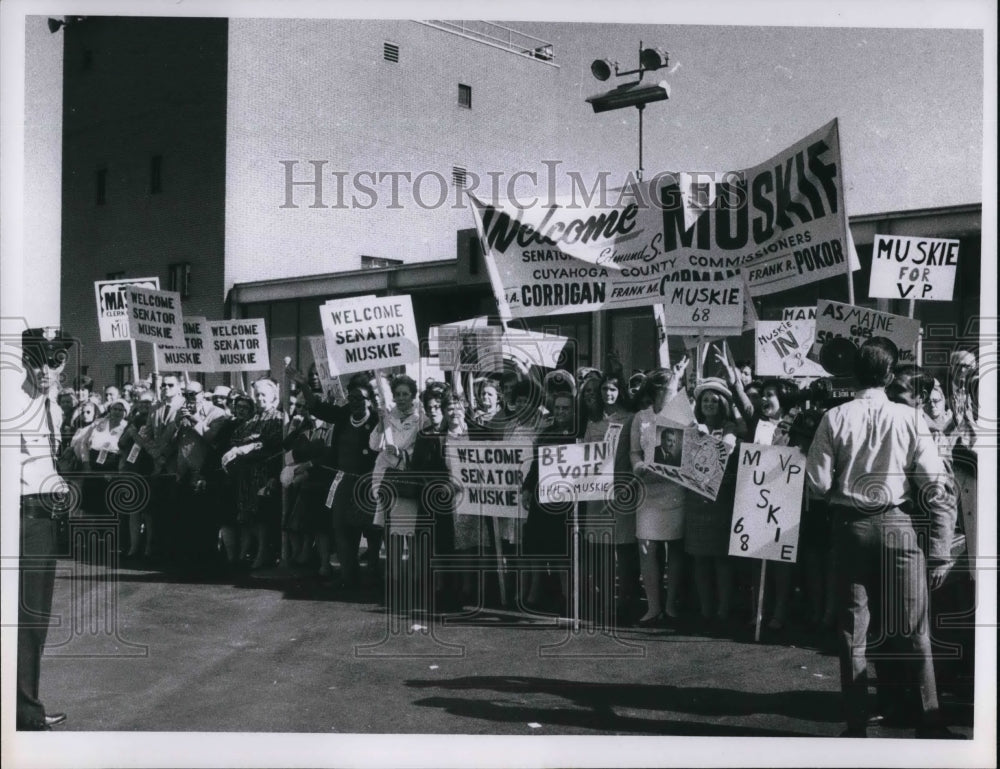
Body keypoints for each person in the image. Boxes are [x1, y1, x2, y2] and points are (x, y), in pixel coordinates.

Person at [806, 337, 960, 739]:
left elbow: (818, 485)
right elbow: (932, 482)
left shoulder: (834, 417)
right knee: (914, 628)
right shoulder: (909, 418)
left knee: (852, 630)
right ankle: (930, 718)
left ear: (856, 372)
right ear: (890, 376)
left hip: (849, 527)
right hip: (897, 525)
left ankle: (856, 722)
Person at [15, 327, 71, 730]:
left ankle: (24, 707)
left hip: (44, 515)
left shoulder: (51, 406)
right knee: (23, 617)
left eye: (57, 359)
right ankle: (24, 715)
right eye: (42, 358)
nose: (50, 367)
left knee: (33, 619)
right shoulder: (13, 401)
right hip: (21, 516)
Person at [630, 365, 689, 627]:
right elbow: (634, 452)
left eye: (675, 388)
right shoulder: (640, 418)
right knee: (646, 547)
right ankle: (653, 606)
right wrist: (638, 467)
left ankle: (672, 605)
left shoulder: (683, 415)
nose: (672, 393)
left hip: (674, 490)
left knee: (675, 547)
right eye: (668, 388)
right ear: (655, 391)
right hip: (647, 491)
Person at [683, 377, 744, 629]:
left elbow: (728, 447)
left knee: (721, 558)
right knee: (699, 557)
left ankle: (723, 609)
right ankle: (705, 607)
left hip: (721, 497)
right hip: (697, 497)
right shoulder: (692, 425)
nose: (709, 404)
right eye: (705, 400)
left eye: (714, 400)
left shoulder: (729, 425)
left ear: (722, 404)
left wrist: (706, 439)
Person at [222, 377, 286, 568]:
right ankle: (246, 554)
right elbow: (235, 438)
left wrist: (246, 446)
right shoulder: (253, 418)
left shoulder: (278, 417)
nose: (259, 399)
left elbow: (271, 443)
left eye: (263, 395)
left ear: (273, 396)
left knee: (263, 517)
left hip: (266, 472)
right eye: (257, 395)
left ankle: (263, 553)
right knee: (249, 516)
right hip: (247, 474)